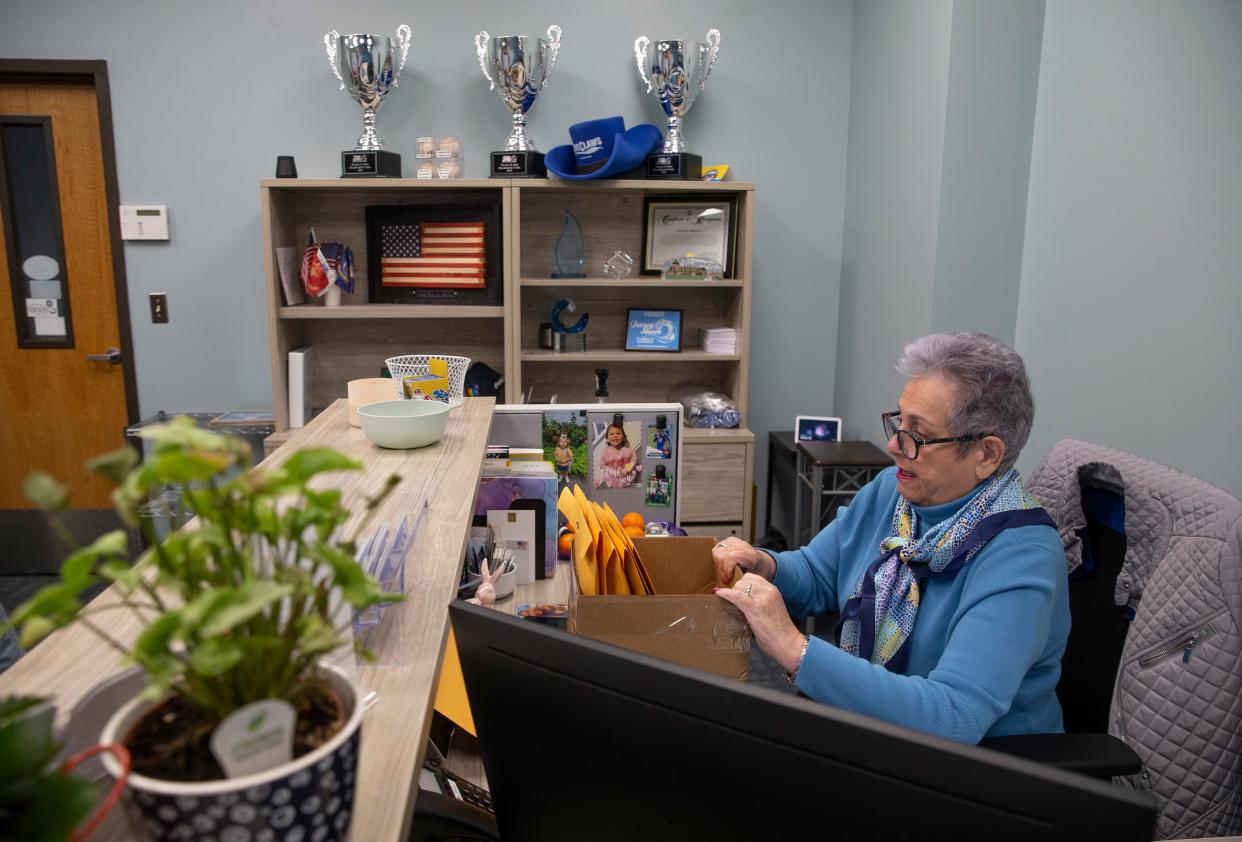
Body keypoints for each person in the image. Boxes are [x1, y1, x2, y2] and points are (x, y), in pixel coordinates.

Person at [714, 332, 1068, 744]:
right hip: (879, 740)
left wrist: (797, 650)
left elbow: (954, 717)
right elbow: (819, 574)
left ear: (986, 454)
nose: (894, 445)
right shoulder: (893, 492)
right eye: (899, 421)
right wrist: (765, 564)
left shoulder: (1021, 557)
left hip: (984, 776)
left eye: (918, 435)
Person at [594, 423, 639, 489]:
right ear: (607, 439)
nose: (615, 436)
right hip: (615, 479)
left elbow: (634, 459)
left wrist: (626, 469)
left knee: (628, 486)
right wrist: (613, 471)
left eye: (618, 433)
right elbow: (602, 465)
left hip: (627, 476)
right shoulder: (606, 452)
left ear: (623, 437)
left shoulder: (628, 449)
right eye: (611, 434)